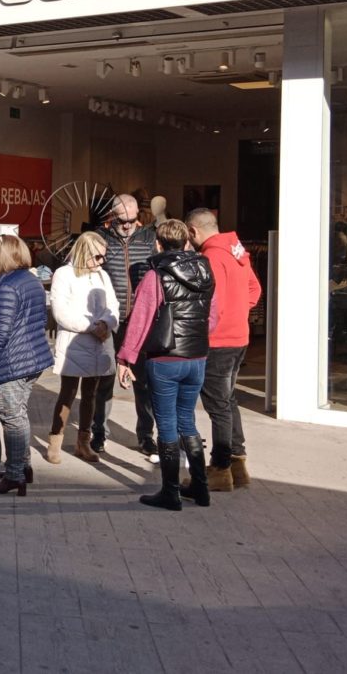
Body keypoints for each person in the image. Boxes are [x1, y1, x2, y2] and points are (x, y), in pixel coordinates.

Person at [116, 219, 216, 511]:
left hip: (165, 358)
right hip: (196, 357)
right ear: (187, 241)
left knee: (168, 425)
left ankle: (170, 492)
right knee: (189, 421)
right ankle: (200, 487)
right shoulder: (206, 271)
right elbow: (213, 317)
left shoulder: (156, 275)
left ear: (157, 244)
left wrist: (126, 358)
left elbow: (141, 320)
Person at [186, 207, 262, 491]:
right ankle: (237, 463)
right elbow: (255, 289)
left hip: (218, 341)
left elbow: (209, 304)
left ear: (193, 231)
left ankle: (220, 469)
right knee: (228, 401)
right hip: (239, 337)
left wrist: (201, 332)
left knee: (218, 406)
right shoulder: (236, 251)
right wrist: (239, 312)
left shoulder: (211, 257)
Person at [0, 234, 55, 495]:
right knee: (19, 414)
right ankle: (23, 466)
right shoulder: (30, 280)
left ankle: (14, 475)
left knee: (12, 418)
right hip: (32, 358)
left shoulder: (7, 287)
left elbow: (0, 331)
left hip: (13, 361)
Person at [92, 193, 158, 457]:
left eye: (133, 220)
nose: (129, 225)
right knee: (105, 378)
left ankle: (146, 435)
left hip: (142, 321)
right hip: (112, 320)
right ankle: (99, 432)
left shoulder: (149, 239)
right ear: (112, 217)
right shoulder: (101, 239)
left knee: (144, 382)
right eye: (123, 220)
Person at [46, 232, 119, 464]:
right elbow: (60, 311)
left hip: (99, 341)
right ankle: (55, 438)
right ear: (85, 252)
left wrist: (107, 323)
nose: (101, 262)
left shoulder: (102, 276)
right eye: (97, 257)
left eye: (103, 257)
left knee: (91, 394)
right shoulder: (64, 274)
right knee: (67, 392)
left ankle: (83, 441)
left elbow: (114, 305)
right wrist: (91, 326)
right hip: (77, 342)